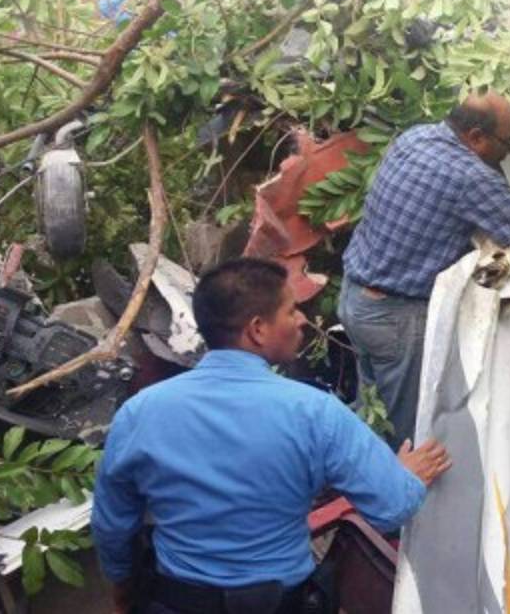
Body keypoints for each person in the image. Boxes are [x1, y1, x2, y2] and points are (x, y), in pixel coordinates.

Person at [92, 258, 452, 614]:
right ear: (258, 329)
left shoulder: (139, 413)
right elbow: (392, 507)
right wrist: (405, 475)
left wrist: (123, 588)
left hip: (175, 601)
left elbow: (112, 524)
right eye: (291, 310)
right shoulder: (315, 412)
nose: (302, 320)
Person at [340, 91, 510, 450]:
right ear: (476, 137)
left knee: (372, 403)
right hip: (395, 319)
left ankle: (357, 464)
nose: (508, 153)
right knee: (407, 430)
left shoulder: (415, 137)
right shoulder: (468, 177)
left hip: (354, 298)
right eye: (507, 143)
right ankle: (400, 483)